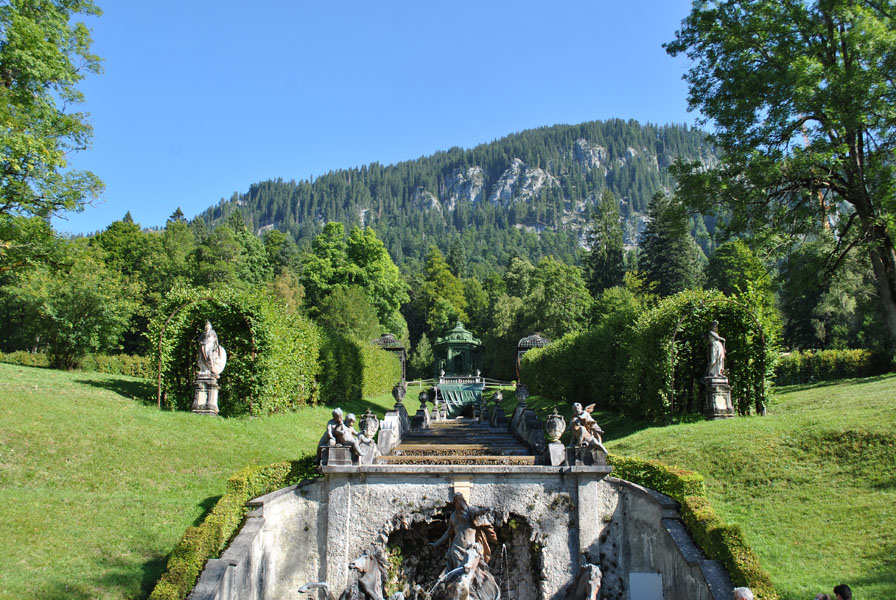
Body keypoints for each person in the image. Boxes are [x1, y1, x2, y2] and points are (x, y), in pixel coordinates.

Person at [431, 493, 496, 573]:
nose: (459, 503)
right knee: (459, 573)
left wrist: (483, 511)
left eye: (460, 500)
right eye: (456, 501)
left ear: (463, 501)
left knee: (473, 572)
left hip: (471, 548)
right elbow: (448, 533)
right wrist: (436, 544)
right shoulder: (453, 516)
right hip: (457, 548)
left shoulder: (470, 510)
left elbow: (477, 512)